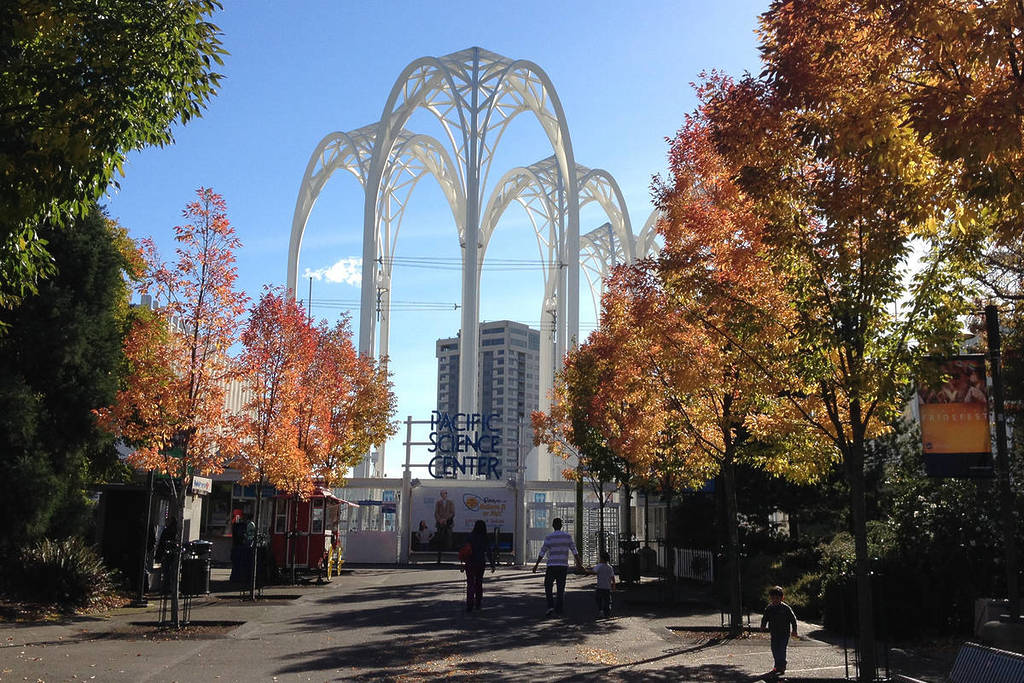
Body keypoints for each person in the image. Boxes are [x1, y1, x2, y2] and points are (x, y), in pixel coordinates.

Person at [532, 517, 582, 616]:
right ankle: (559, 609)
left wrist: (536, 565)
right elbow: (574, 551)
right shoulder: (567, 537)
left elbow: (542, 552)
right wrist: (579, 564)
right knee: (560, 587)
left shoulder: (549, 537)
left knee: (548, 585)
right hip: (563, 566)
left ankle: (550, 606)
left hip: (551, 565)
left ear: (553, 526)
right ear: (561, 525)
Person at [760, 585, 798, 675]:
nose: (775, 600)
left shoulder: (786, 608)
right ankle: (777, 665)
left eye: (777, 598)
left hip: (784, 633)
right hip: (774, 633)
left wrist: (794, 630)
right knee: (774, 649)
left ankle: (782, 666)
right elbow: (765, 618)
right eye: (773, 598)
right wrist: (763, 625)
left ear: (782, 598)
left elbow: (793, 619)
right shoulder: (769, 608)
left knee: (781, 649)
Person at [462, 520, 495, 612]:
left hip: (470, 562)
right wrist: (492, 564)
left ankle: (469, 603)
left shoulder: (470, 536)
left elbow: (465, 549)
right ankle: (478, 603)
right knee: (479, 583)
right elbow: (488, 551)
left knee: (470, 583)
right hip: (480, 562)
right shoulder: (485, 537)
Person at [593, 550, 616, 618]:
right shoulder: (610, 567)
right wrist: (614, 585)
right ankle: (607, 613)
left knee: (598, 599)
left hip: (600, 586)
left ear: (602, 559)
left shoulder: (599, 566)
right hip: (607, 587)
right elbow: (613, 577)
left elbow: (593, 571)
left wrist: (584, 570)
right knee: (607, 601)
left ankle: (601, 610)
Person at [434, 490, 454, 563]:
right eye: (441, 494)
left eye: (444, 494)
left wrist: (446, 519)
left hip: (448, 523)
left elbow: (452, 513)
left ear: (446, 494)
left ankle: (449, 553)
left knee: (448, 537)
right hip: (440, 523)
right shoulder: (438, 502)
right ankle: (439, 555)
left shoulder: (450, 502)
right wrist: (440, 520)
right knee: (440, 538)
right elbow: (436, 512)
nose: (443, 495)